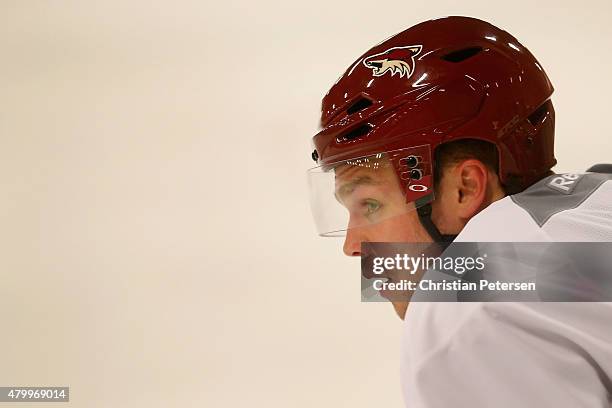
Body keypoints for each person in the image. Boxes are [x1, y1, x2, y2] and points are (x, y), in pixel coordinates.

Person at [307, 16, 612, 407]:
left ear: (464, 189)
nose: (353, 246)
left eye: (370, 204)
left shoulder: (465, 303)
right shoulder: (596, 195)